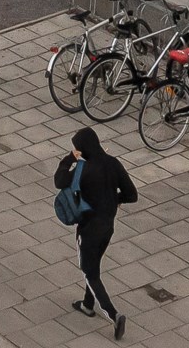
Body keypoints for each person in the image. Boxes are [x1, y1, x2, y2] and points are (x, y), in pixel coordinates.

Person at [54, 125, 138, 335]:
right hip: (108, 226)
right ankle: (87, 305)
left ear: (82, 149)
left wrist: (70, 158)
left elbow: (59, 180)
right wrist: (115, 199)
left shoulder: (83, 171)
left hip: (89, 229)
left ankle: (114, 315)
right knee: (95, 265)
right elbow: (131, 194)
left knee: (88, 271)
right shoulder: (113, 163)